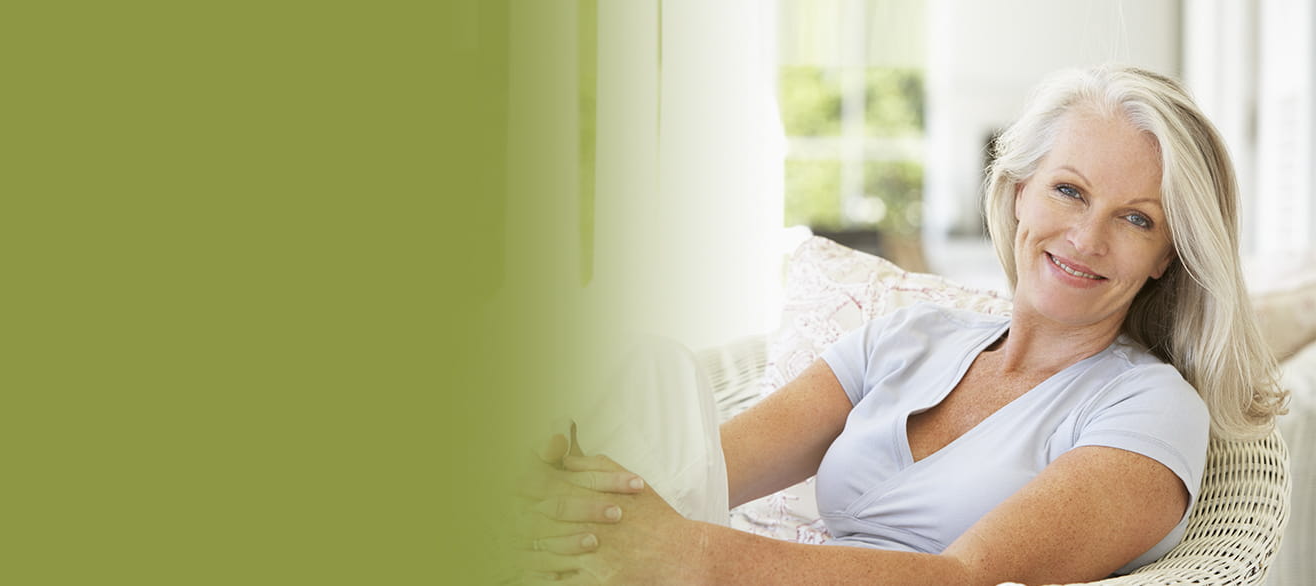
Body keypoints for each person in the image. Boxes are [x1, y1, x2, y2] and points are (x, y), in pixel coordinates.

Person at [515, 65, 1289, 585]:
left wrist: (691, 556)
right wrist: (586, 499)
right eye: (1069, 191)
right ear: (1019, 191)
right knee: (653, 379)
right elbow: (698, 473)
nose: (1086, 238)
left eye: (1136, 219)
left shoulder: (1152, 409)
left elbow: (962, 578)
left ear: (1166, 256)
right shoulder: (911, 338)